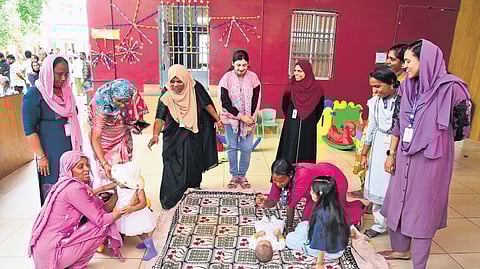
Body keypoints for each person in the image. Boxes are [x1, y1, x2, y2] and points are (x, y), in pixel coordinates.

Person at [382, 39, 471, 268]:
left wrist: (431, 133)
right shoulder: (406, 86)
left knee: (423, 207)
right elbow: (397, 123)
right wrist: (391, 153)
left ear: (427, 61)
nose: (405, 66)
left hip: (432, 159)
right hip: (404, 154)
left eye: (409, 61)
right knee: (398, 201)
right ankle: (401, 250)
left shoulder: (453, 88)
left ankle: (419, 262)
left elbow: (462, 128)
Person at [28, 151, 127, 269]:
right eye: (80, 167)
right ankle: (76, 265)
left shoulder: (66, 184)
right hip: (53, 253)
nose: (86, 169)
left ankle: (72, 262)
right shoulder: (74, 188)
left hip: (44, 250)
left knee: (101, 219)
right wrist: (127, 209)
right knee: (103, 226)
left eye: (87, 165)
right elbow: (100, 220)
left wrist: (117, 192)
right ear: (69, 169)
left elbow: (101, 210)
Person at [148, 64, 222, 209]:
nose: (175, 85)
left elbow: (206, 104)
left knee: (192, 162)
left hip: (193, 134)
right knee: (172, 164)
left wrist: (218, 119)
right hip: (173, 136)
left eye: (179, 81)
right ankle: (172, 196)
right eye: (172, 81)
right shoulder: (166, 92)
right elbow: (160, 117)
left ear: (185, 79)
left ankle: (192, 191)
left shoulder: (195, 88)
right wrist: (155, 135)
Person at [22, 55, 82, 204]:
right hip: (51, 153)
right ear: (48, 72)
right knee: (55, 187)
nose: (63, 78)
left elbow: (74, 114)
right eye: (59, 74)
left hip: (71, 148)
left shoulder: (66, 91)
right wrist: (41, 157)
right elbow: (29, 130)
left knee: (74, 184)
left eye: (66, 74)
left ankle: (75, 221)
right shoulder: (34, 94)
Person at [257, 159, 364, 233]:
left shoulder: (301, 176)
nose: (278, 184)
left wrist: (289, 228)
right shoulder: (280, 177)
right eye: (275, 180)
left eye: (281, 181)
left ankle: (358, 210)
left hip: (334, 181)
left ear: (290, 175)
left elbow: (291, 205)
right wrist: (264, 203)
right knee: (307, 222)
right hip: (314, 188)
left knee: (336, 216)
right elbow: (272, 200)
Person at [359, 66, 399, 238]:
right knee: (377, 184)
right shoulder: (374, 102)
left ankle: (397, 223)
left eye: (378, 86)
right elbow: (372, 127)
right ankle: (379, 224)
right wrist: (364, 153)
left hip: (397, 146)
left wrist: (393, 154)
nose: (374, 90)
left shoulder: (403, 101)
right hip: (378, 145)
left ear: (391, 83)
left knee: (394, 186)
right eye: (372, 86)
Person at [90, 162, 158, 261]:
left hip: (135, 214)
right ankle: (145, 243)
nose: (116, 180)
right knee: (136, 230)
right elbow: (104, 187)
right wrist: (94, 192)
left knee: (141, 231)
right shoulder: (118, 185)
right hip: (124, 213)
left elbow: (143, 203)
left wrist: (132, 209)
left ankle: (151, 249)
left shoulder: (138, 189)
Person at [89, 79, 148, 188]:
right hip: (105, 143)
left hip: (123, 138)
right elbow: (95, 138)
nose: (122, 105)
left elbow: (138, 116)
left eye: (126, 101)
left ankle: (125, 199)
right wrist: (104, 163)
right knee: (109, 176)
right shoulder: (101, 105)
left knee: (125, 175)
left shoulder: (134, 96)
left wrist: (136, 125)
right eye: (119, 101)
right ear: (112, 96)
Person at [285, 177, 350, 268]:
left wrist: (319, 263)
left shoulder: (322, 214)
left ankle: (306, 246)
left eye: (312, 191)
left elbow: (321, 241)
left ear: (320, 195)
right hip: (338, 248)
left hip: (330, 252)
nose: (310, 192)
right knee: (303, 225)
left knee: (290, 239)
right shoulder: (335, 206)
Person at [219, 50, 261, 189]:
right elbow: (224, 101)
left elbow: (257, 100)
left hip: (249, 121)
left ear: (248, 64)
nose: (241, 68)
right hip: (230, 120)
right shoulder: (226, 78)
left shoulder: (253, 78)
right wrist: (240, 116)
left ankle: (242, 175)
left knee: (246, 148)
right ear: (233, 64)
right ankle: (234, 175)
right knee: (232, 147)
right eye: (238, 65)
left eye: (244, 65)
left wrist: (251, 120)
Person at [276, 60, 324, 164]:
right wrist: (291, 119)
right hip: (292, 123)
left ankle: (304, 175)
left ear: (307, 72)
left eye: (300, 71)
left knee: (306, 149)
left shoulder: (317, 88)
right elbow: (284, 105)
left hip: (308, 125)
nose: (296, 73)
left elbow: (320, 109)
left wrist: (310, 121)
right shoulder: (291, 86)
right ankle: (286, 174)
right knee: (290, 148)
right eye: (295, 70)